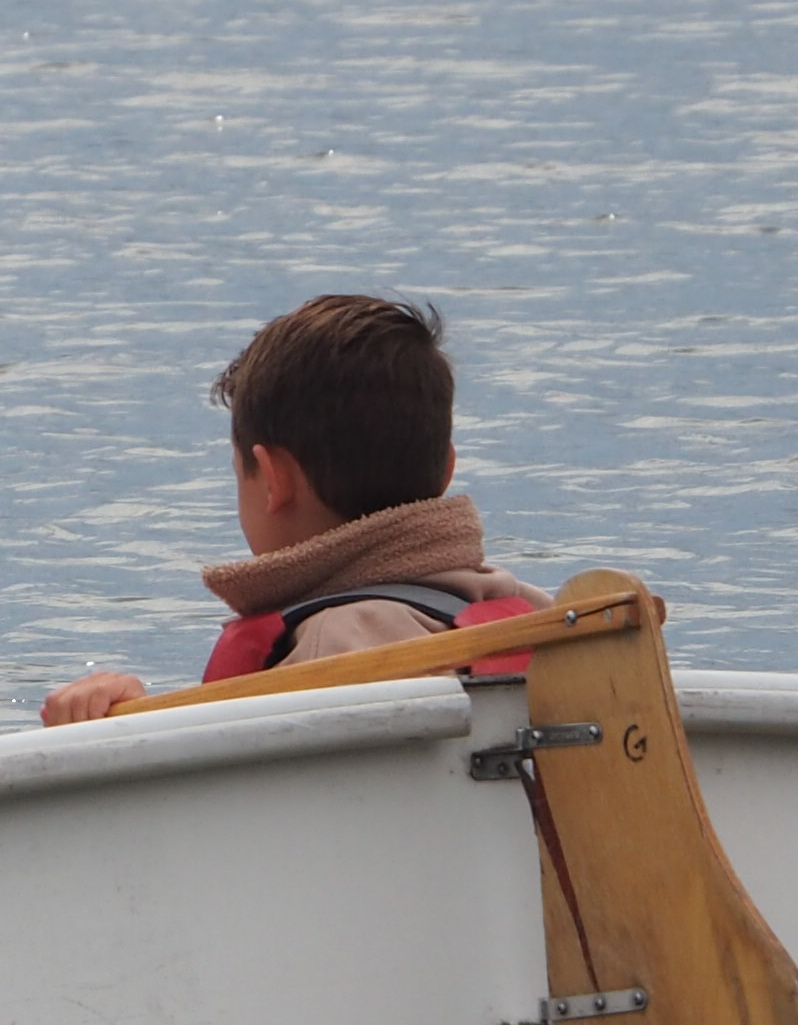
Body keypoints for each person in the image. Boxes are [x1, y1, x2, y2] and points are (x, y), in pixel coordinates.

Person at [40, 294, 540, 725]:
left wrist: (118, 736)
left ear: (272, 480)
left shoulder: (332, 647)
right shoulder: (540, 617)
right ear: (447, 468)